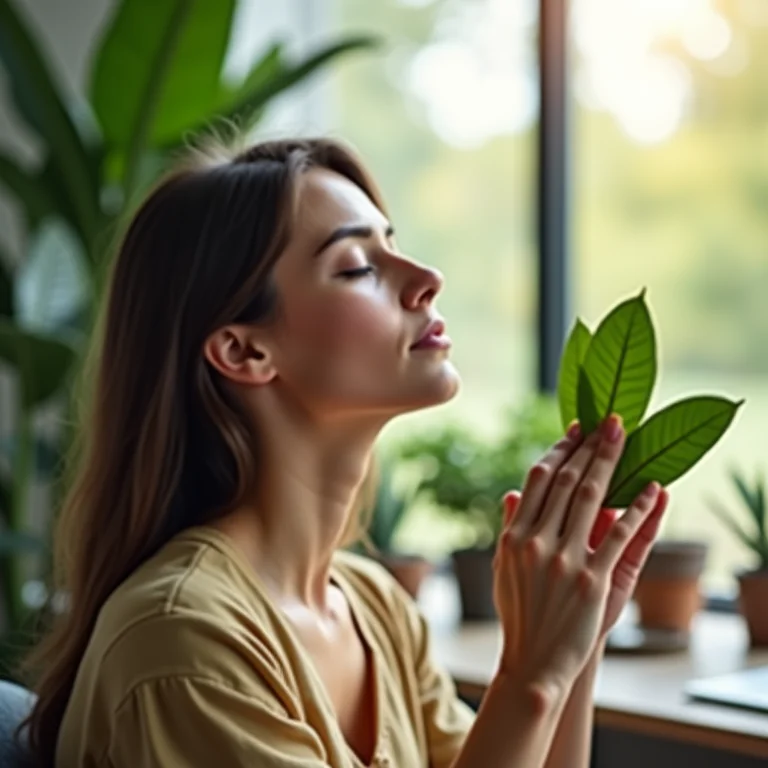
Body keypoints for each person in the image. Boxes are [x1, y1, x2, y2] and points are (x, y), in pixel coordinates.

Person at [22, 137, 668, 768]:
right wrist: (532, 673)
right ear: (244, 352)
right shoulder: (184, 642)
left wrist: (576, 648)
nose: (426, 278)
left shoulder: (374, 605)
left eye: (393, 243)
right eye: (358, 266)